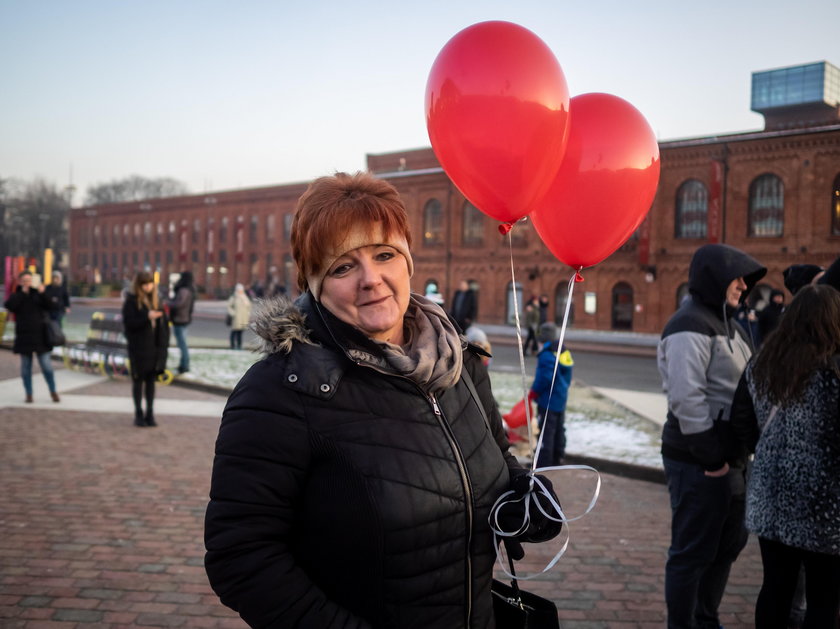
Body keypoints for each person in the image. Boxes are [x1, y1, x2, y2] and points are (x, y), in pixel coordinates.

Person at [204, 172, 561, 628]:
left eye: (384, 254)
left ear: (408, 261)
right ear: (314, 283)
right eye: (342, 267)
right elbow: (242, 559)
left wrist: (521, 498)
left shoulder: (459, 363)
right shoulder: (280, 391)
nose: (371, 279)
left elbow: (491, 458)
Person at [657, 243, 766, 629]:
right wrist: (712, 461)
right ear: (713, 277)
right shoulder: (689, 324)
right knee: (692, 552)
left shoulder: (730, 324)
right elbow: (688, 399)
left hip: (731, 457)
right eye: (735, 276)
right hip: (699, 461)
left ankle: (705, 619)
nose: (742, 284)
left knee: (727, 546)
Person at [730, 284, 840, 628]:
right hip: (825, 505)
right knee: (825, 596)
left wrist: (768, 451)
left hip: (771, 494)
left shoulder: (762, 363)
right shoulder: (834, 371)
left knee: (775, 587)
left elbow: (741, 423)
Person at [4, 270, 60, 403]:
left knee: (46, 366)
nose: (27, 283)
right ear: (21, 282)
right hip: (24, 337)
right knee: (25, 369)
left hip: (41, 336)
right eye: (25, 281)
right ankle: (29, 394)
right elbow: (9, 306)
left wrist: (42, 293)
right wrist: (23, 293)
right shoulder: (17, 295)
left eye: (29, 280)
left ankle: (53, 391)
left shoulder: (39, 294)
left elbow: (52, 306)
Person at [123, 271, 169, 427]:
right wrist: (146, 317)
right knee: (138, 381)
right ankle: (138, 414)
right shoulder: (132, 301)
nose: (148, 286)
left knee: (151, 382)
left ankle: (150, 413)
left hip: (154, 348)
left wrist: (163, 348)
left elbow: (164, 327)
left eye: (150, 283)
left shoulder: (157, 300)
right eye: (145, 283)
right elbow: (129, 324)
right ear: (139, 285)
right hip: (138, 348)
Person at [530, 322, 573, 468]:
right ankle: (558, 457)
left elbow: (545, 378)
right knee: (559, 429)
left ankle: (543, 463)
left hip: (548, 400)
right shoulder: (563, 352)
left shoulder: (547, 355)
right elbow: (567, 375)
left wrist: (534, 392)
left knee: (546, 432)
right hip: (560, 398)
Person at [168, 270, 196, 374]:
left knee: (182, 344)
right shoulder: (190, 289)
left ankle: (184, 365)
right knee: (182, 343)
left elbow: (179, 304)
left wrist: (168, 303)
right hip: (184, 319)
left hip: (180, 319)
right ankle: (184, 364)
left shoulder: (184, 290)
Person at [226, 283, 252, 350]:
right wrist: (233, 313)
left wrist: (248, 313)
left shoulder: (244, 297)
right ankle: (232, 345)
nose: (240, 291)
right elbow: (229, 306)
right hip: (236, 318)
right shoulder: (234, 297)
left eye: (241, 289)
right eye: (239, 289)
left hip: (243, 318)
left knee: (240, 333)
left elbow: (249, 306)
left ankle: (239, 345)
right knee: (234, 332)